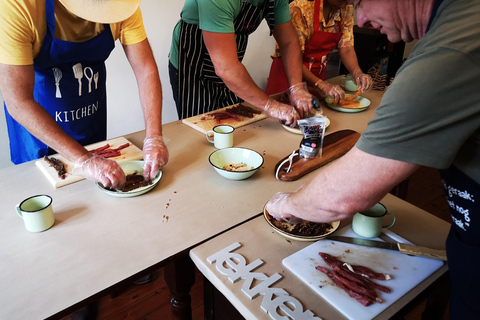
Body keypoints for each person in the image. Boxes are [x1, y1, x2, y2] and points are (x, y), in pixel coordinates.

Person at [266, 0, 480, 318]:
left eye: (362, 2)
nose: (361, 18)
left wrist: (286, 204)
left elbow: (344, 195)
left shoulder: (450, 53)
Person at [0, 0, 169, 188]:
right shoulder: (19, 6)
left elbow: (145, 69)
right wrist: (84, 160)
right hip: (37, 130)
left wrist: (154, 137)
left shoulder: (122, 5)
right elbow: (18, 101)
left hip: (90, 117)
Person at [168, 0, 316, 126]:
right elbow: (225, 68)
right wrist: (269, 105)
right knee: (201, 124)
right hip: (193, 63)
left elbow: (289, 42)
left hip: (231, 64)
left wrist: (297, 88)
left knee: (238, 119)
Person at [265, 0, 372, 104]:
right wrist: (320, 84)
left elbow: (346, 47)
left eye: (347, 1)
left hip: (317, 82)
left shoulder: (345, 8)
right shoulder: (300, 9)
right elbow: (291, 56)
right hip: (287, 81)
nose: (344, 5)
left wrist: (357, 72)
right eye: (341, 0)